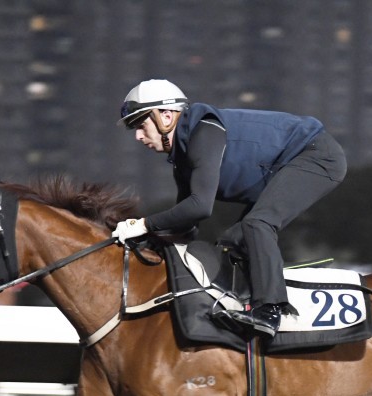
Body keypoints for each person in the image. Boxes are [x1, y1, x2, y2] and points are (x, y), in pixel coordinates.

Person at [112, 79, 347, 338]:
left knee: (257, 224)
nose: (138, 136)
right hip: (283, 165)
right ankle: (242, 302)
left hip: (316, 155)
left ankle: (270, 309)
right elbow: (185, 224)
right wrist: (145, 242)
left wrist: (142, 224)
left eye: (141, 125)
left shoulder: (204, 132)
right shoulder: (183, 157)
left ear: (166, 116)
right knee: (230, 241)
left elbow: (200, 207)